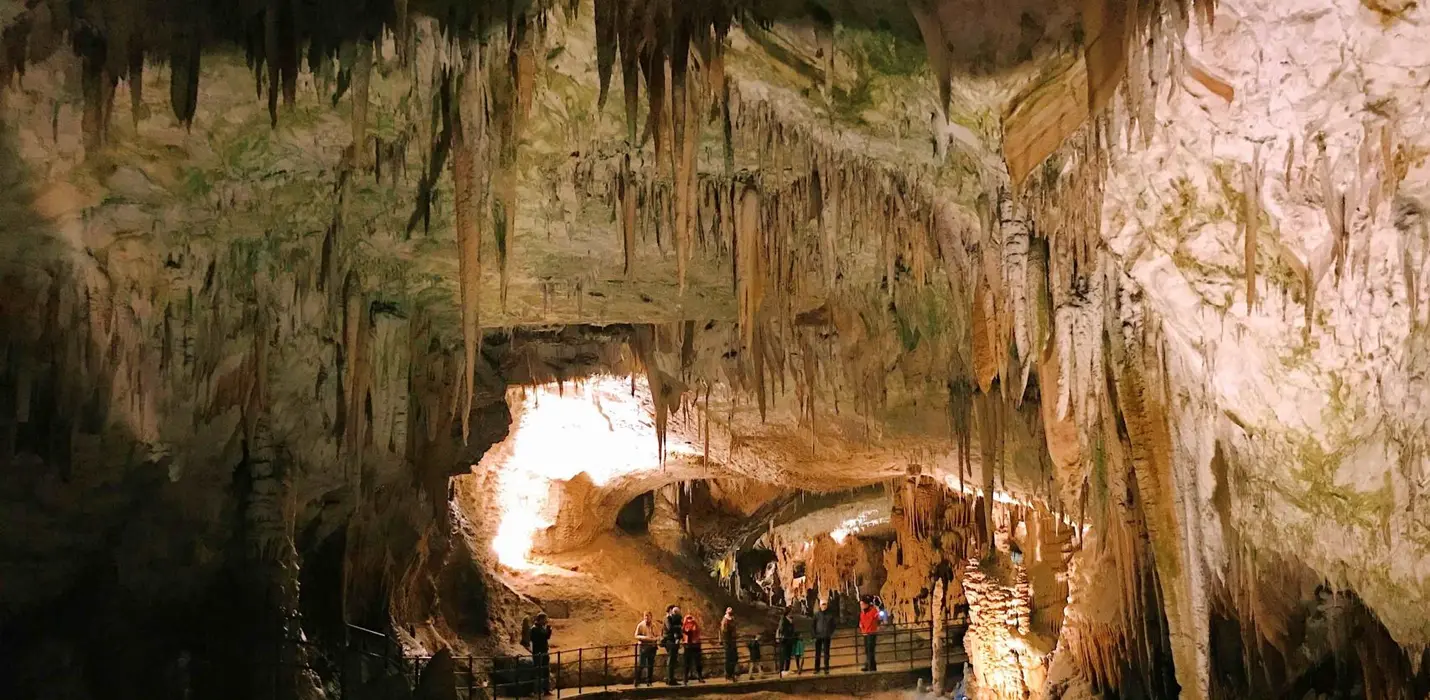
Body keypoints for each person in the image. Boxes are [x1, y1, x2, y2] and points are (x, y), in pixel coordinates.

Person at [529, 613, 553, 696]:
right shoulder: (534, 629)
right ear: (541, 619)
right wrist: (548, 630)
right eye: (545, 619)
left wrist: (548, 630)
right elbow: (543, 637)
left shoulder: (541, 628)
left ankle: (546, 690)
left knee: (546, 670)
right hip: (538, 652)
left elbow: (546, 637)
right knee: (538, 671)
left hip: (544, 652)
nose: (546, 621)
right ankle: (536, 690)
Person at [634, 611, 659, 686]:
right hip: (644, 647)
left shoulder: (654, 625)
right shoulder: (641, 625)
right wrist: (645, 638)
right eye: (645, 616)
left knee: (650, 665)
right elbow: (636, 635)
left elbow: (658, 635)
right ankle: (637, 681)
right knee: (641, 664)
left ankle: (649, 681)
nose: (646, 618)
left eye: (648, 616)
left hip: (652, 647)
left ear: (651, 617)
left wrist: (655, 638)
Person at [812, 598, 836, 674]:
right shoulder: (816, 615)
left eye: (825, 605)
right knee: (817, 653)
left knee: (826, 653)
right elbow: (813, 625)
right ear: (820, 605)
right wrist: (814, 635)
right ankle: (817, 668)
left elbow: (833, 625)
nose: (824, 606)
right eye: (823, 605)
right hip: (818, 636)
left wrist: (830, 632)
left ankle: (826, 668)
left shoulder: (830, 615)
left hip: (826, 636)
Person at [663, 605, 684, 685]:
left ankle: (670, 678)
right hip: (669, 641)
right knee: (671, 659)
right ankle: (670, 679)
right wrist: (678, 627)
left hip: (673, 641)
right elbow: (670, 628)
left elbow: (680, 626)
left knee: (673, 659)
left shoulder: (673, 619)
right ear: (670, 610)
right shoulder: (667, 619)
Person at [859, 595, 881, 671]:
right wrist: (862, 629)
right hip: (865, 633)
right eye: (861, 604)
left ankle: (871, 667)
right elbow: (861, 622)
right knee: (867, 650)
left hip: (871, 633)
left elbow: (874, 620)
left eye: (862, 604)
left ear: (867, 604)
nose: (861, 606)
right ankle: (870, 665)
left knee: (870, 650)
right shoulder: (863, 612)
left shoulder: (873, 611)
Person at [682, 613, 705, 682]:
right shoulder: (685, 626)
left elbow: (696, 630)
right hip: (688, 645)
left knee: (698, 662)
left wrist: (695, 621)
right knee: (687, 662)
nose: (689, 620)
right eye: (688, 618)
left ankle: (700, 676)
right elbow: (684, 631)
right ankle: (685, 677)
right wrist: (684, 621)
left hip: (695, 645)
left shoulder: (695, 625)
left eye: (690, 618)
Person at [775, 608, 797, 675]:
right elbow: (782, 629)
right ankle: (781, 670)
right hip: (784, 640)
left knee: (788, 655)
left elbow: (792, 629)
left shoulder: (791, 620)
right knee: (783, 655)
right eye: (791, 612)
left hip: (790, 639)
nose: (792, 613)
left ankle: (787, 669)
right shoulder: (783, 620)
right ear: (788, 613)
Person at [719, 608, 739, 681]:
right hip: (728, 641)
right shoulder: (725, 621)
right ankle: (729, 674)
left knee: (733, 658)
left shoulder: (730, 620)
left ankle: (731, 674)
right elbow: (724, 631)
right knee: (729, 658)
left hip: (731, 641)